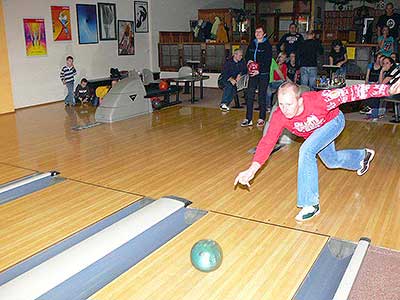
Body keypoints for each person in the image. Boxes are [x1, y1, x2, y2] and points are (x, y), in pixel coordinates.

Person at [234, 80, 400, 221]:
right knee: (332, 161)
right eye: (281, 104)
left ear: (300, 101)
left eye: (289, 104)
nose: (285, 109)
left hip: (333, 122)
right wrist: (252, 169)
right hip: (315, 133)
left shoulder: (319, 100)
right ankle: (361, 157)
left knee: (306, 151)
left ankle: (310, 204)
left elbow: (354, 91)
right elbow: (267, 142)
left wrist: (387, 89)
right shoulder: (279, 116)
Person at [242, 25, 272, 127]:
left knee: (261, 96)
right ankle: (248, 118)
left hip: (263, 74)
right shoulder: (252, 43)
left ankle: (261, 118)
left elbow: (267, 61)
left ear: (264, 34)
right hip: (252, 73)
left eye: (260, 32)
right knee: (249, 95)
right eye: (256, 32)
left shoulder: (267, 45)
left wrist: (259, 70)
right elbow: (247, 56)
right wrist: (249, 62)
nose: (257, 33)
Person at [363, 53, 384, 121]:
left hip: (377, 85)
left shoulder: (382, 67)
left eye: (381, 58)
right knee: (368, 100)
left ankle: (375, 115)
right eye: (378, 57)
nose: (380, 59)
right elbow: (367, 76)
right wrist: (366, 83)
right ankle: (369, 115)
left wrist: (376, 84)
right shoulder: (371, 65)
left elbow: (381, 79)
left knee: (375, 101)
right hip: (369, 83)